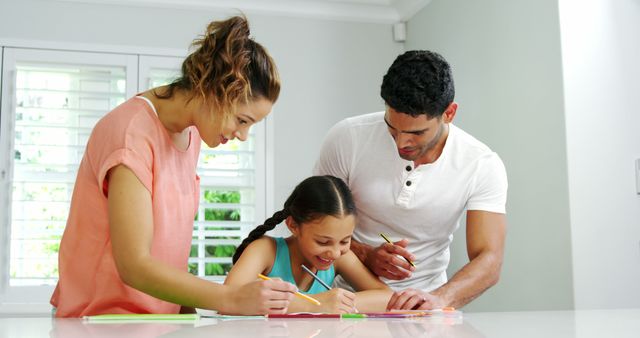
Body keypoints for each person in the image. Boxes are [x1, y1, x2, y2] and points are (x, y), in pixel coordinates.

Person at [50, 16, 298, 318]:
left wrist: (188, 314)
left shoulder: (190, 136)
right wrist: (229, 298)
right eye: (242, 120)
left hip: (153, 320)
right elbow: (135, 265)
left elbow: (169, 249)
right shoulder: (131, 133)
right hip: (100, 321)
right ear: (214, 89)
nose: (242, 135)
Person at [313, 50, 508, 310]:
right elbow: (312, 225)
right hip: (346, 301)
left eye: (417, 132)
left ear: (449, 113)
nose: (402, 142)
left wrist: (440, 298)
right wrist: (365, 255)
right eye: (392, 127)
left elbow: (489, 259)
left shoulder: (482, 164)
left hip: (427, 305)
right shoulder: (347, 138)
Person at [225, 175, 392, 313]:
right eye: (323, 242)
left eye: (345, 241)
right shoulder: (264, 250)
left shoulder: (341, 257)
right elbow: (228, 300)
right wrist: (318, 304)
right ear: (293, 226)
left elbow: (386, 296)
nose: (334, 252)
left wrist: (338, 302)